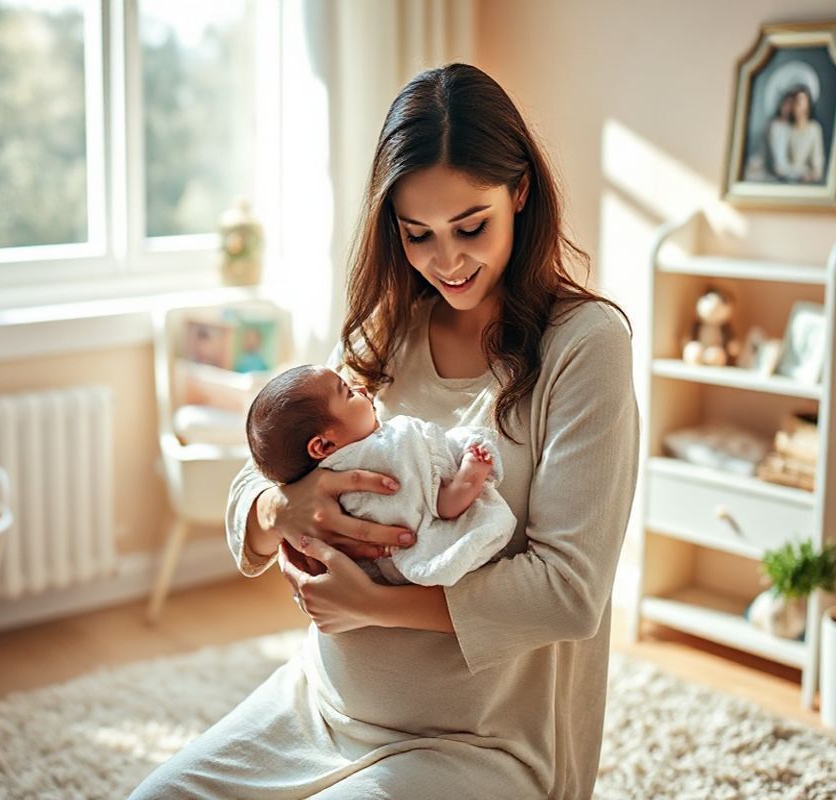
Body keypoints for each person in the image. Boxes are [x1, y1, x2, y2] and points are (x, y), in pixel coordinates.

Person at [129, 63, 639, 800]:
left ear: (520, 192)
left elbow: (568, 592)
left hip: (481, 744)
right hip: (322, 709)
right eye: (418, 235)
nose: (448, 261)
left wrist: (373, 604)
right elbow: (260, 475)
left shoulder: (585, 345)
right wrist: (285, 510)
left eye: (472, 227)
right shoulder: (388, 329)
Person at [245, 363, 516, 587]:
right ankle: (455, 492)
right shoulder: (378, 457)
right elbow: (437, 506)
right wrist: (278, 507)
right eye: (349, 392)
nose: (361, 387)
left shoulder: (349, 449)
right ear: (325, 446)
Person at [769, 86, 825, 183]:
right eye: (794, 101)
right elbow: (780, 164)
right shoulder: (785, 129)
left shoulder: (814, 129)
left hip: (806, 183)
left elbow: (818, 162)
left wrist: (813, 174)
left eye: (800, 101)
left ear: (808, 104)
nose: (797, 105)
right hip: (785, 180)